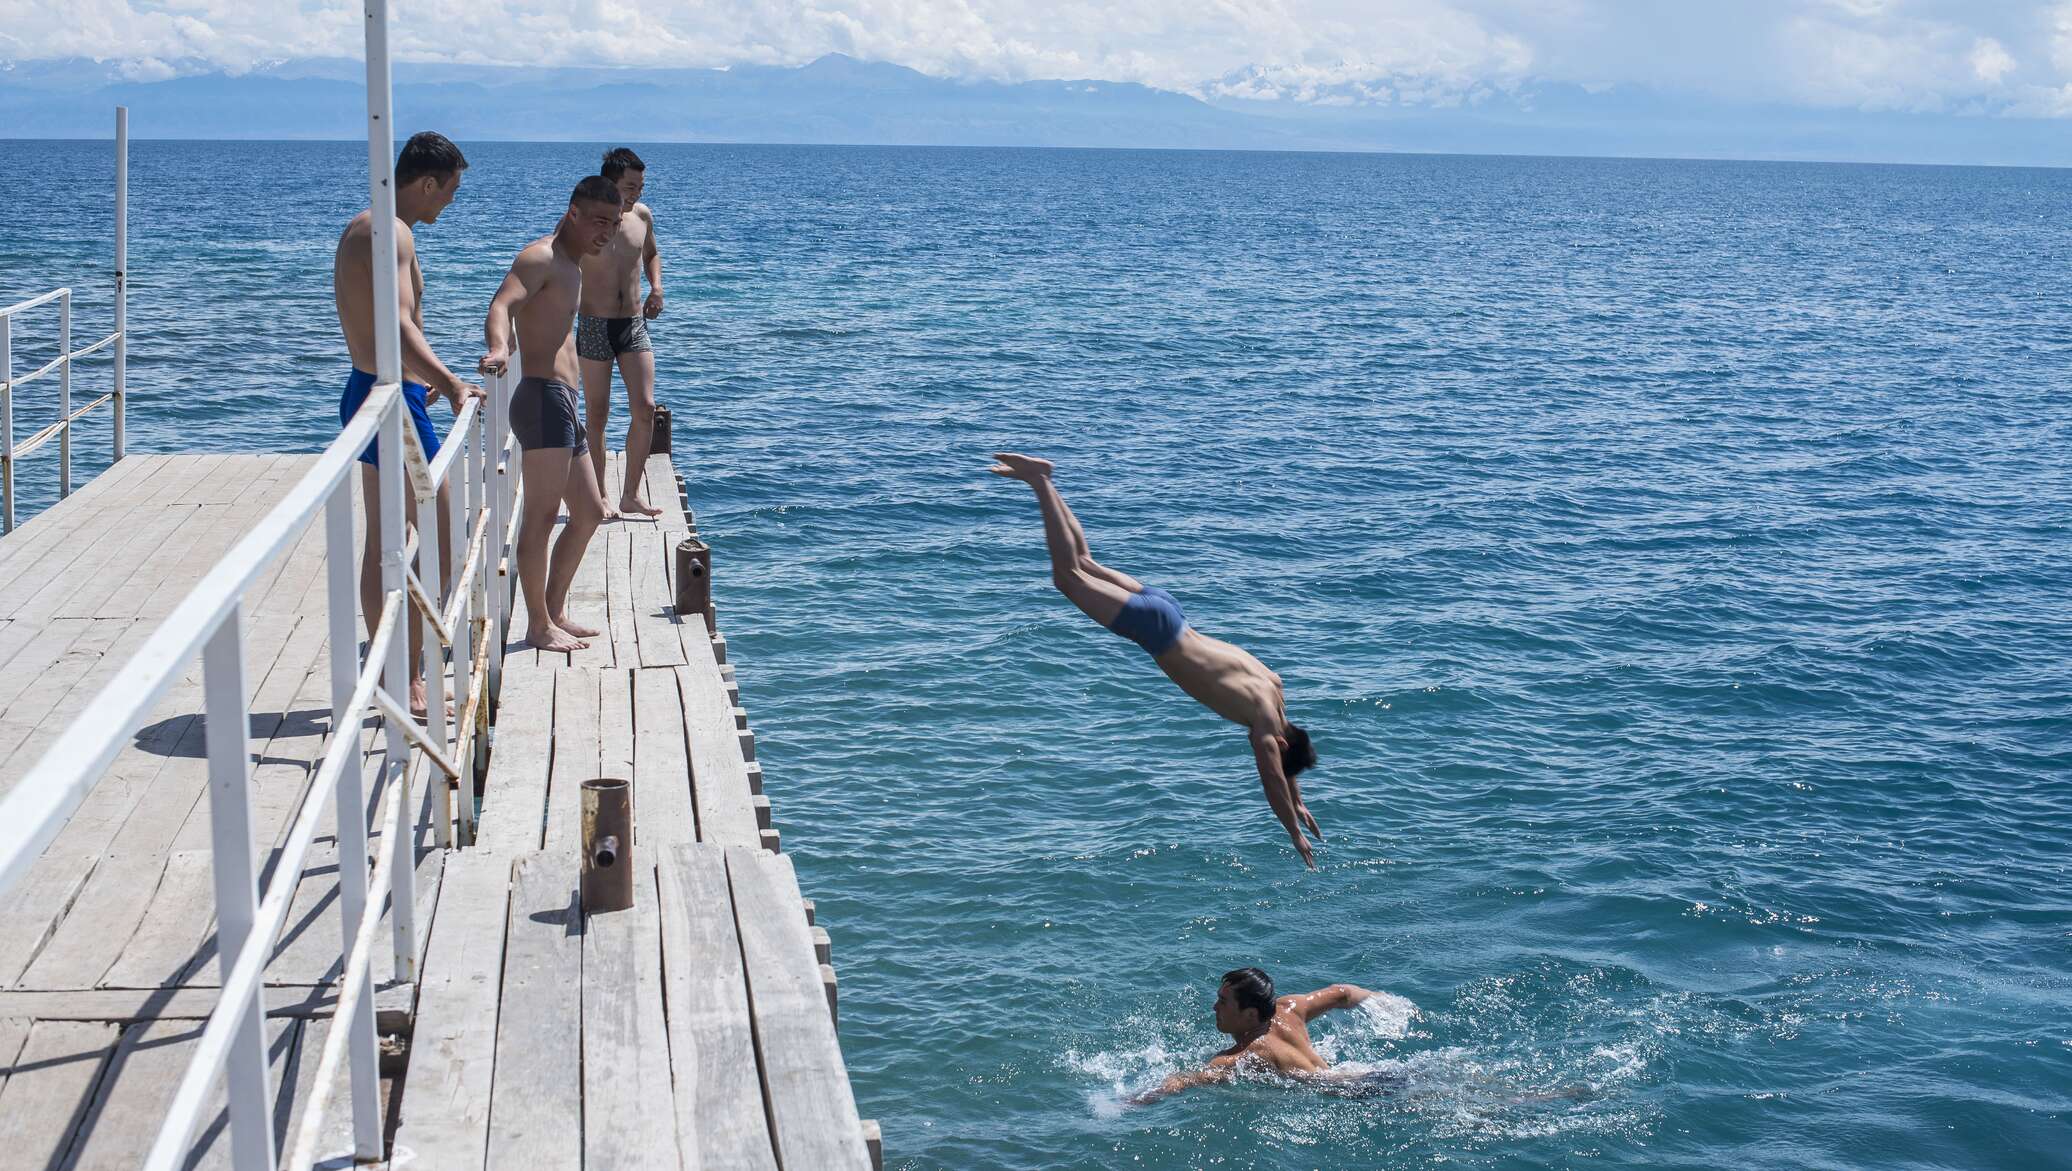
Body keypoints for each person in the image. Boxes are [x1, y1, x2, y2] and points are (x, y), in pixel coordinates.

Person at [989, 453, 1323, 866]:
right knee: (1066, 577)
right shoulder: (1261, 729)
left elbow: (1284, 765)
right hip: (1155, 631)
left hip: (1171, 611)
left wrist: (1300, 801)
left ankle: (1040, 481)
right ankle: (1041, 480)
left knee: (1083, 563)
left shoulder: (1274, 690)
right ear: (1281, 744)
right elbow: (1273, 776)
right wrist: (1292, 829)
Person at [332, 130, 484, 717]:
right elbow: (396, 325)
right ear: (426, 183)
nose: (449, 202)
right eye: (448, 191)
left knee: (387, 539)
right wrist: (448, 383)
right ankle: (405, 674)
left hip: (376, 390)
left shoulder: (371, 226)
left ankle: (396, 672)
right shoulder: (388, 232)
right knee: (444, 535)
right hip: (390, 398)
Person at [479, 176, 623, 652]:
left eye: (615, 223)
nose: (606, 231)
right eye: (599, 221)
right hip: (540, 397)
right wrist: (500, 347)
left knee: (589, 511)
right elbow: (502, 304)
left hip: (563, 402)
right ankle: (537, 625)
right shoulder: (540, 257)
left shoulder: (574, 265)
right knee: (541, 517)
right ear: (573, 213)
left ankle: (554, 610)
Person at [1127, 968, 1377, 1105]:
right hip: (1367, 1077)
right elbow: (1342, 993)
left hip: (1355, 1095)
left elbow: (1186, 1081)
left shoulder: (1245, 1055)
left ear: (1250, 1015)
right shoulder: (1290, 1008)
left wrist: (1132, 1102)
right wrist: (1384, 1001)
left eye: (1223, 1002)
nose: (1214, 1007)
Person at [575, 147, 666, 518]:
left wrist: (656, 288)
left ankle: (631, 493)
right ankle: (600, 496)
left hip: (632, 324)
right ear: (609, 183)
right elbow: (555, 260)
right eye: (630, 185)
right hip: (594, 324)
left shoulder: (642, 216)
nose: (637, 193)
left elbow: (651, 254)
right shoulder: (584, 220)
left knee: (645, 408)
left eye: (641, 185)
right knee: (597, 414)